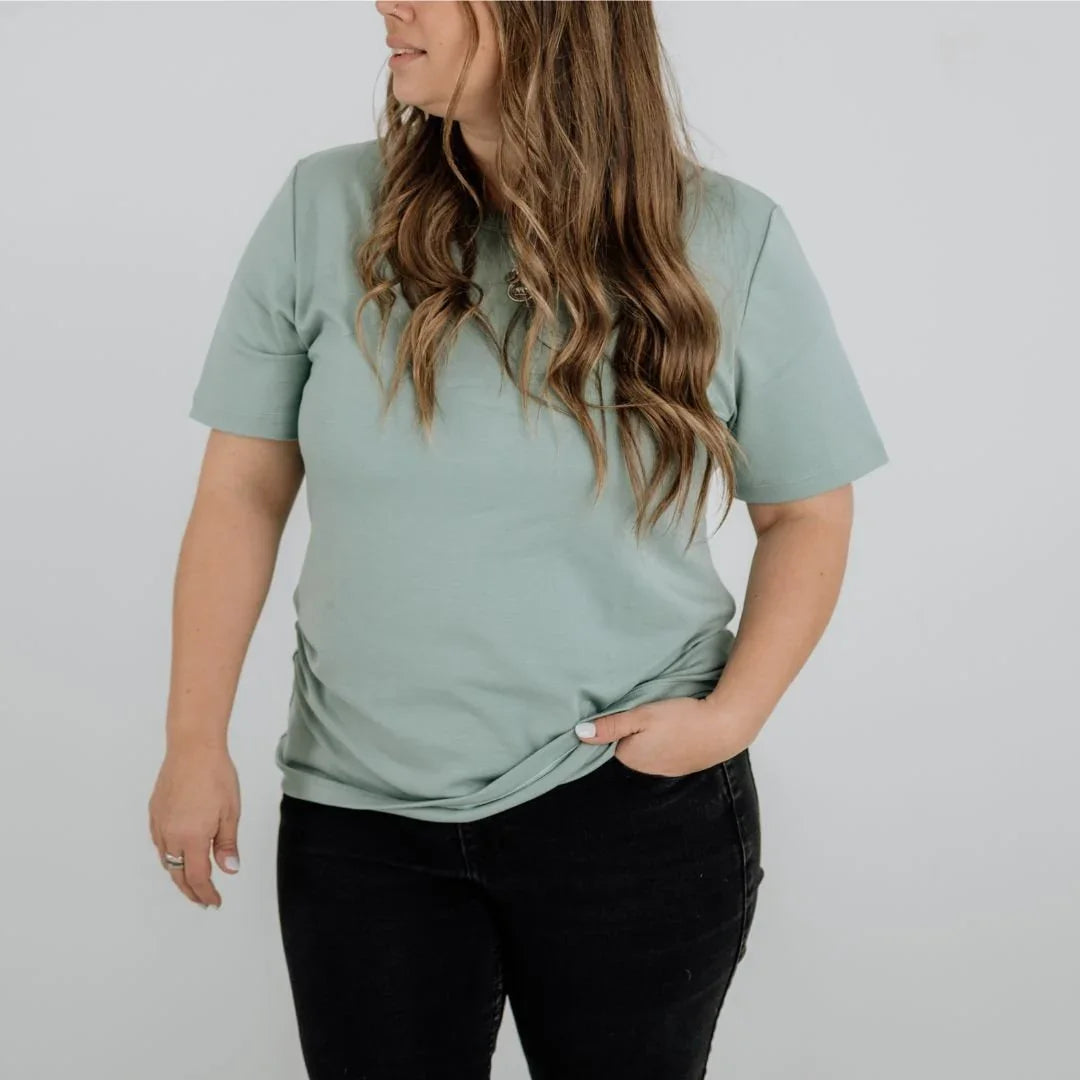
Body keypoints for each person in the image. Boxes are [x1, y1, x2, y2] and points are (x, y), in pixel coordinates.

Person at [148, 2, 890, 1076]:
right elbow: (242, 492)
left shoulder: (730, 237)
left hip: (628, 805)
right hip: (359, 814)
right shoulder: (323, 207)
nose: (387, 3)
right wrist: (192, 740)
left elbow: (807, 512)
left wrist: (730, 718)